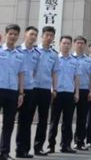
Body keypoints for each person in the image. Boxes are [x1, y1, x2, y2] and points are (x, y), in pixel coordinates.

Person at [0, 24, 24, 160]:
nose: (13, 36)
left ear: (18, 36)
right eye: (10, 33)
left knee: (9, 124)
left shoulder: (20, 54)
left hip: (13, 92)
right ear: (6, 34)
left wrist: (21, 94)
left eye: (15, 34)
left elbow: (21, 75)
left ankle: (4, 153)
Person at [47, 35, 79, 154]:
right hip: (57, 93)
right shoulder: (54, 58)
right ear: (60, 44)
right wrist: (52, 89)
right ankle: (51, 145)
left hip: (69, 93)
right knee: (54, 121)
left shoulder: (74, 61)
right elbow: (50, 74)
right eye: (64, 43)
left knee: (68, 121)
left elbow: (76, 78)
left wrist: (77, 92)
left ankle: (66, 145)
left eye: (68, 43)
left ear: (71, 45)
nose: (66, 45)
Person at [15, 26, 40, 159]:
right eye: (31, 34)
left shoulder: (37, 53)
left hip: (30, 90)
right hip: (15, 90)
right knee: (10, 122)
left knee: (26, 121)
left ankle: (23, 150)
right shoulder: (17, 50)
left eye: (35, 35)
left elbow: (34, 71)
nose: (33, 37)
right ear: (25, 34)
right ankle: (5, 151)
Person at [33, 26, 58, 156]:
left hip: (45, 90)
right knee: (26, 118)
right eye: (46, 35)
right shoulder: (34, 51)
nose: (49, 37)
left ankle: (38, 147)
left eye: (51, 35)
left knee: (43, 120)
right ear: (42, 36)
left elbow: (54, 73)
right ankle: (22, 148)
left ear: (53, 38)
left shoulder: (54, 54)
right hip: (32, 89)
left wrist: (54, 88)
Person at [72, 36, 91, 151]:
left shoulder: (88, 60)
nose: (80, 45)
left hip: (84, 90)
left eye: (82, 43)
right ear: (74, 44)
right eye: (78, 43)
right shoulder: (69, 58)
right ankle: (65, 143)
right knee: (68, 118)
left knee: (82, 118)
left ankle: (80, 142)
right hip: (70, 90)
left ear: (85, 45)